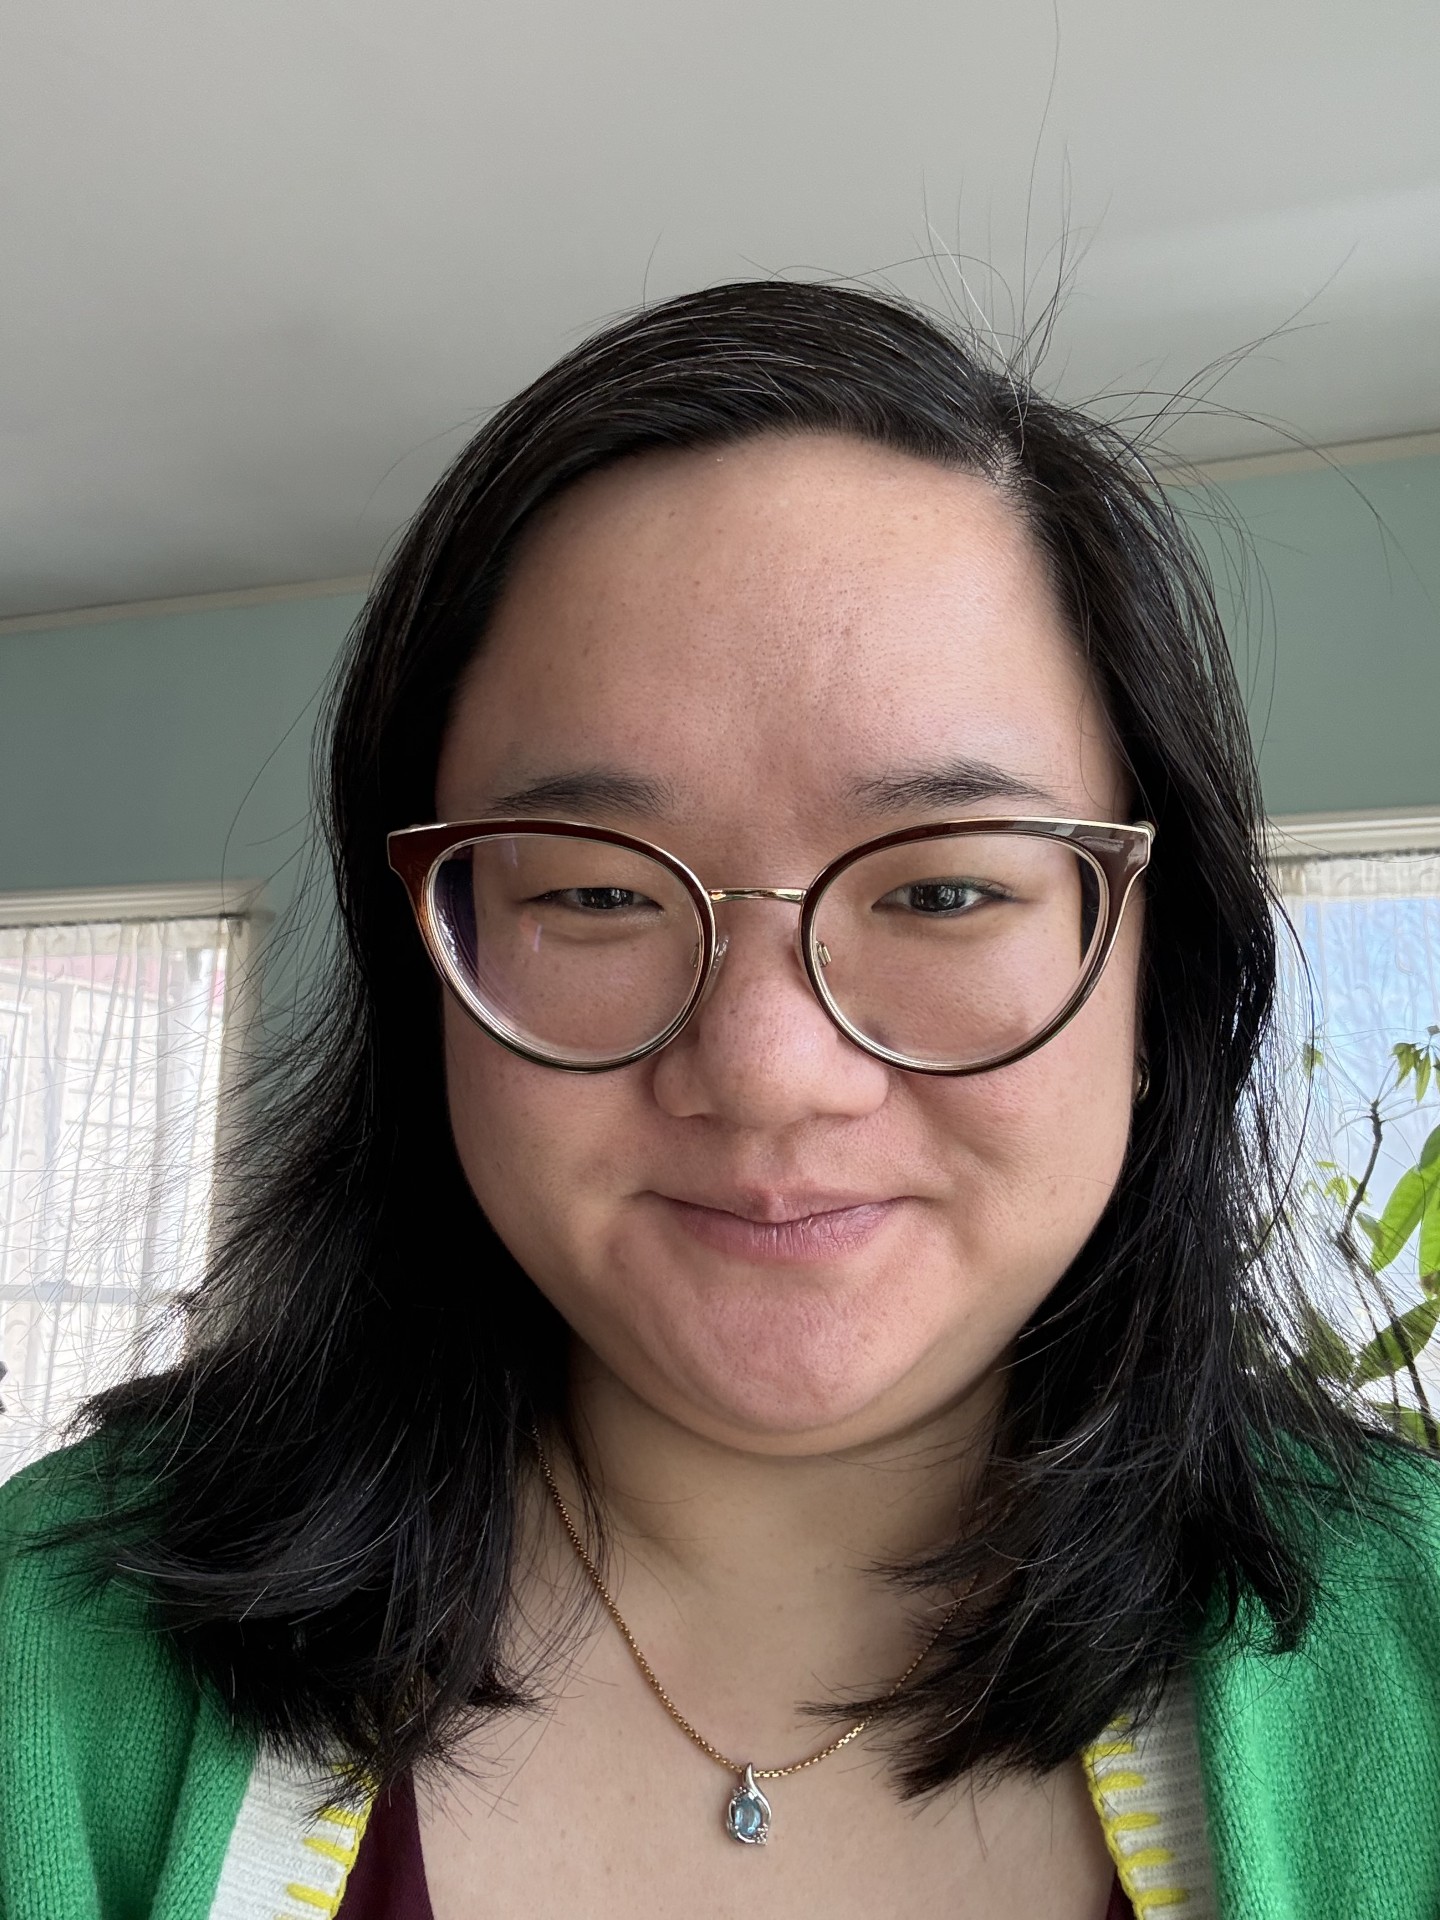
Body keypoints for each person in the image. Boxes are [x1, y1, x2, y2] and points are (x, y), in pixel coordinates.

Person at [2, 280, 1438, 1920]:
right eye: (596, 895)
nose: (766, 1071)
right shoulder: (50, 1653)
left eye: (944, 892)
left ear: (1152, 976)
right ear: (432, 976)